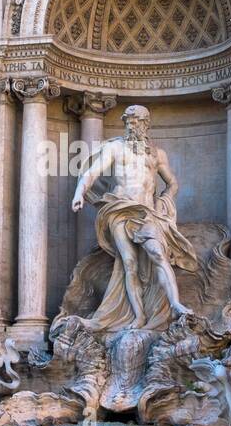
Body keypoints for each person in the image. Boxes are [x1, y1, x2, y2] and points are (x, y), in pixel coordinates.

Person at [71, 104, 196, 331]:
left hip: (146, 212)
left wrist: (164, 200)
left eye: (135, 121)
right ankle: (138, 317)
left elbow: (173, 183)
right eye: (128, 121)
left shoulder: (157, 154)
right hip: (119, 209)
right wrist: (79, 192)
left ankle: (176, 303)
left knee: (158, 254)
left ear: (146, 123)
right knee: (129, 263)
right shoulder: (115, 148)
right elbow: (92, 172)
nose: (131, 125)